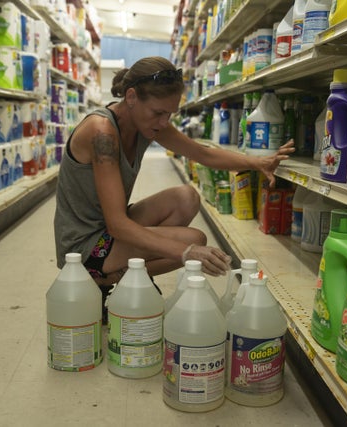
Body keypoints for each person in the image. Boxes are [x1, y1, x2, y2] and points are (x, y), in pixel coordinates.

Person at [53, 56, 294, 296]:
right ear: (131, 97)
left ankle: (123, 275)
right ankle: (103, 279)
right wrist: (185, 252)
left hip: (108, 231)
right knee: (195, 240)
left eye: (169, 114)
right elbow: (117, 225)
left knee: (186, 197)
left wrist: (259, 163)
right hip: (84, 247)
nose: (163, 122)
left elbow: (202, 154)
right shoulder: (102, 132)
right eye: (158, 112)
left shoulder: (146, 123)